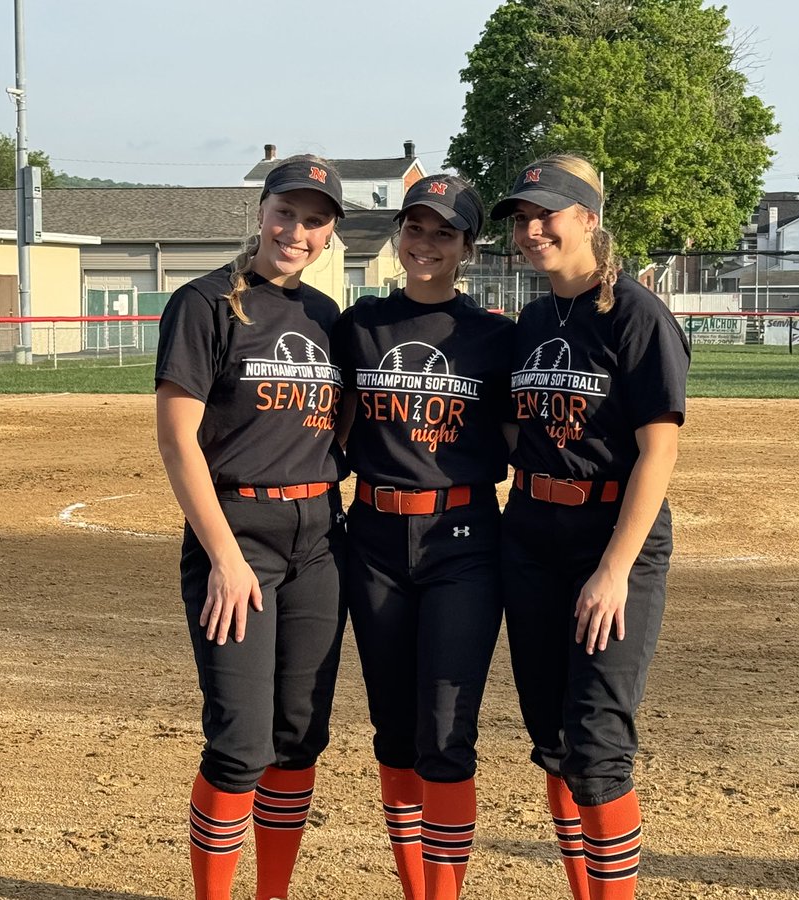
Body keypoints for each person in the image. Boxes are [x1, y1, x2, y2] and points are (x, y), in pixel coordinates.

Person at [489, 155, 690, 900]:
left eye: (547, 213)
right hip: (532, 535)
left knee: (598, 748)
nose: (531, 228)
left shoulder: (637, 314)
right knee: (553, 743)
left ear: (589, 219)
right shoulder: (534, 319)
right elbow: (515, 427)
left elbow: (658, 449)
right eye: (521, 217)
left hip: (612, 540)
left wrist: (613, 570)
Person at [155, 155, 348, 900]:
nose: (295, 231)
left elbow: (343, 427)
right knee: (240, 746)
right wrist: (226, 560)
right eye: (285, 212)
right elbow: (177, 442)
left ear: (331, 235)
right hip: (237, 537)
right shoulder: (206, 303)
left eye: (314, 220)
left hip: (319, 541)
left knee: (297, 741)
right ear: (261, 210)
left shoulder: (326, 319)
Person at [331, 174, 514, 900]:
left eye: (444, 232)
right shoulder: (360, 325)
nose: (426, 243)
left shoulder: (495, 336)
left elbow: (522, 439)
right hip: (373, 537)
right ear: (399, 236)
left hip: (462, 539)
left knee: (446, 734)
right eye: (416, 228)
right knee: (395, 733)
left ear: (468, 246)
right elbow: (328, 421)